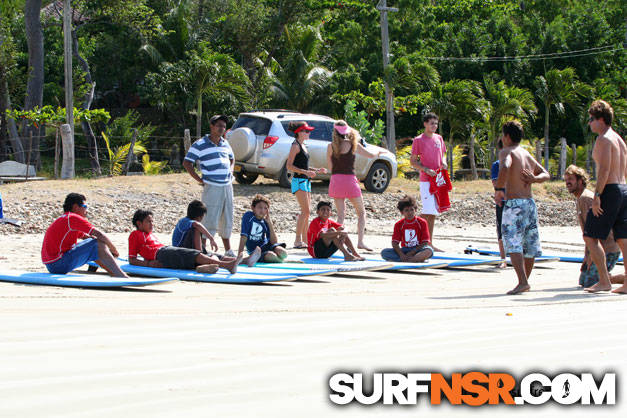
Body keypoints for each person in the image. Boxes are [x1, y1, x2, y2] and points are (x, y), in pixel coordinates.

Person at [494, 121, 549, 295]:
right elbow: (546, 174)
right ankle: (524, 281)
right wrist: (534, 179)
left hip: (514, 204)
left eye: (503, 135)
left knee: (513, 242)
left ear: (507, 137)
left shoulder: (506, 152)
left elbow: (505, 166)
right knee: (529, 243)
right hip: (529, 203)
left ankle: (523, 281)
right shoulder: (525, 153)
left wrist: (499, 189)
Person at [581, 100, 627, 293]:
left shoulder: (604, 139)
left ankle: (604, 280)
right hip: (623, 188)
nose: (589, 123)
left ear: (601, 119)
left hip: (610, 190)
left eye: (591, 119)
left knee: (590, 236)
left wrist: (597, 195)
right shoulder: (619, 139)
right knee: (623, 239)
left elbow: (605, 170)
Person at [326, 120, 386, 251]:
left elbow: (330, 167)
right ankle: (360, 242)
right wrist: (380, 153)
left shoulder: (330, 146)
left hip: (336, 181)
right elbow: (370, 155)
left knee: (341, 215)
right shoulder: (353, 144)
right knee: (361, 213)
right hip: (349, 181)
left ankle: (336, 241)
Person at [183, 114, 236, 257]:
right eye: (219, 125)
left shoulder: (225, 143)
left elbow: (232, 159)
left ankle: (228, 250)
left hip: (227, 185)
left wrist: (230, 172)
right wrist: (199, 179)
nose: (221, 128)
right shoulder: (200, 144)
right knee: (209, 217)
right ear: (212, 126)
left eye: (224, 126)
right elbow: (187, 162)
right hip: (212, 186)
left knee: (227, 217)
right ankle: (204, 249)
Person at [41, 193, 128, 277]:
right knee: (97, 243)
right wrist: (114, 250)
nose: (86, 210)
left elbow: (83, 236)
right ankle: (119, 274)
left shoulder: (65, 218)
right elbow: (100, 234)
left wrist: (95, 242)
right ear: (75, 207)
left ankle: (113, 272)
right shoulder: (73, 217)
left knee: (94, 243)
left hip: (52, 265)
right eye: (85, 207)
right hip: (58, 264)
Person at [129, 209, 242, 274]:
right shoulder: (135, 234)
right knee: (192, 254)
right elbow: (132, 259)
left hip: (164, 253)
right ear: (139, 223)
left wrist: (148, 261)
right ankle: (226, 265)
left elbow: (145, 252)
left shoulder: (149, 234)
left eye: (152, 221)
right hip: (161, 252)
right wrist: (148, 264)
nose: (152, 224)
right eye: (148, 221)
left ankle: (204, 267)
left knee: (188, 259)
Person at [564, 164, 622, 287]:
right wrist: (587, 256)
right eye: (566, 180)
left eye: (571, 179)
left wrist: (593, 255)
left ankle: (620, 278)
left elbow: (596, 230)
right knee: (583, 281)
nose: (567, 182)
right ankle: (606, 277)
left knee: (590, 282)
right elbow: (588, 233)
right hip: (599, 247)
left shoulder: (586, 199)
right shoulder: (581, 198)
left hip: (608, 249)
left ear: (580, 181)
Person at [285, 121, 327, 249]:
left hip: (306, 181)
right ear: (299, 132)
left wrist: (315, 170)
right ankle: (297, 240)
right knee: (305, 211)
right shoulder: (295, 146)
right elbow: (289, 166)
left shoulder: (303, 145)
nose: (309, 133)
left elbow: (304, 166)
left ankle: (306, 240)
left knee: (307, 212)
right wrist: (306, 172)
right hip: (299, 181)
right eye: (306, 131)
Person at [409, 113, 448, 250]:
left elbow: (442, 155)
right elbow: (413, 161)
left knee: (433, 212)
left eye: (436, 123)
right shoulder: (418, 140)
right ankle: (411, 227)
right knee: (429, 211)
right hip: (426, 180)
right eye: (431, 123)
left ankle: (427, 242)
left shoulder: (439, 138)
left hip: (438, 179)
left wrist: (444, 163)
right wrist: (425, 169)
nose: (434, 126)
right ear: (425, 124)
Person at [238, 194, 287, 266]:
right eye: (260, 207)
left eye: (265, 208)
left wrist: (269, 223)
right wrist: (239, 255)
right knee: (271, 256)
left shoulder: (265, 221)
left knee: (283, 253)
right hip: (255, 251)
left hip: (265, 246)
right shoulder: (248, 216)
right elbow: (243, 236)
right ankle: (246, 259)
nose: (263, 210)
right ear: (253, 208)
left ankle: (249, 259)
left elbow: (274, 242)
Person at [381, 195, 434, 262]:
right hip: (405, 250)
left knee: (429, 250)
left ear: (415, 210)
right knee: (384, 252)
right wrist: (401, 255)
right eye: (406, 210)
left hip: (418, 249)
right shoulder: (399, 224)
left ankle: (410, 259)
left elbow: (425, 242)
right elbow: (394, 243)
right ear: (402, 212)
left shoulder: (422, 222)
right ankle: (414, 259)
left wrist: (413, 252)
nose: (410, 213)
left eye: (412, 209)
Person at [491, 139, 507, 269]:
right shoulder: (497, 165)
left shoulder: (518, 163)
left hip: (516, 200)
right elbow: (496, 183)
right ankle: (503, 259)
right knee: (501, 230)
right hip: (503, 201)